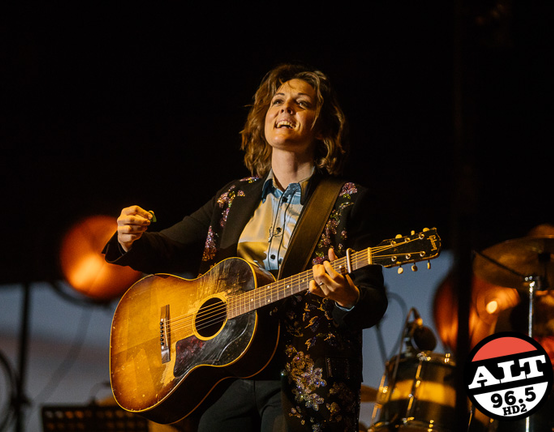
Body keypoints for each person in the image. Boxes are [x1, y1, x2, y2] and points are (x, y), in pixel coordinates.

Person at [102, 63, 388, 432]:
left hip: (303, 379)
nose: (286, 108)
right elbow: (166, 247)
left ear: (322, 126)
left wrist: (347, 296)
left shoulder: (348, 201)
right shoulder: (232, 198)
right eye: (278, 101)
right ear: (264, 118)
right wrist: (129, 239)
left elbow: (372, 299)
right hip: (224, 376)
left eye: (301, 103)